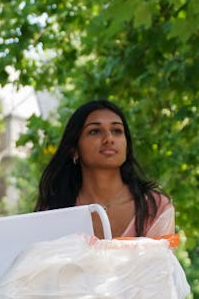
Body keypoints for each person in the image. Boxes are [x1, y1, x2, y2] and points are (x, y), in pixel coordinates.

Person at [35, 99, 175, 239]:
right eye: (95, 131)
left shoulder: (155, 207)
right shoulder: (55, 211)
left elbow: (161, 260)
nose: (109, 138)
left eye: (117, 131)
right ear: (74, 150)